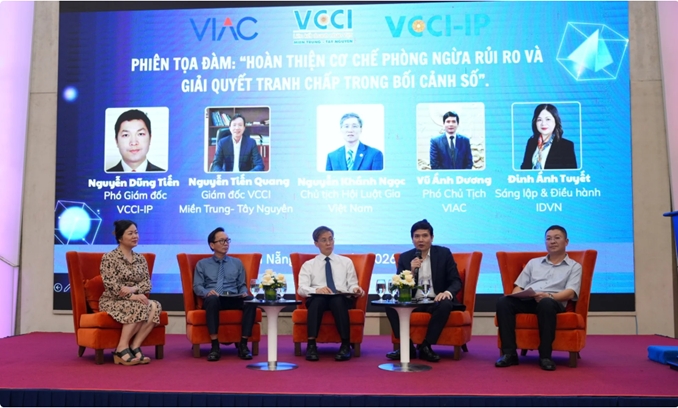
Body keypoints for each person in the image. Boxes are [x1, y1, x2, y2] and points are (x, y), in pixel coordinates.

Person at [495, 225, 582, 371]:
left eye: (557, 238)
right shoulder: (533, 263)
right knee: (504, 302)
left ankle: (545, 356)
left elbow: (570, 292)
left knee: (546, 303)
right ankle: (509, 354)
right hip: (530, 299)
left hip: (553, 302)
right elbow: (518, 286)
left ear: (566, 242)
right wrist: (519, 295)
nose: (552, 241)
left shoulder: (574, 266)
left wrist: (549, 296)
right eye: (548, 239)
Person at [385, 219, 465, 362]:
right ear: (412, 239)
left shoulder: (444, 254)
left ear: (432, 238)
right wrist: (411, 271)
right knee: (389, 303)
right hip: (414, 301)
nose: (420, 240)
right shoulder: (405, 257)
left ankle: (426, 346)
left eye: (425, 236)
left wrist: (446, 293)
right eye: (417, 236)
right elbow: (399, 286)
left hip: (436, 300)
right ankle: (407, 346)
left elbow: (456, 281)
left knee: (446, 304)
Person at [297, 226, 365, 361]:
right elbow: (301, 289)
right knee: (317, 301)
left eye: (330, 239)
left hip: (341, 298)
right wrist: (316, 290)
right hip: (318, 298)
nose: (328, 243)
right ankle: (311, 345)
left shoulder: (346, 262)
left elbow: (352, 284)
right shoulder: (308, 265)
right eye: (324, 240)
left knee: (337, 300)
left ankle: (345, 345)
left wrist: (356, 289)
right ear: (316, 243)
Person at [99, 220, 162, 366]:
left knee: (155, 306)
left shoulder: (140, 259)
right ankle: (121, 348)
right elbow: (111, 285)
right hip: (112, 300)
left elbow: (147, 284)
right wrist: (132, 296)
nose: (135, 236)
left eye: (136, 232)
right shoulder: (109, 258)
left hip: (134, 297)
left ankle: (135, 346)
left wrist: (133, 290)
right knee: (139, 306)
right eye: (130, 233)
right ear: (120, 237)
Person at [193, 227, 257, 361]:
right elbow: (197, 286)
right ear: (212, 245)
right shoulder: (202, 264)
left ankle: (243, 345)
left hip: (233, 297)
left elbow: (241, 285)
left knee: (250, 300)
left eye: (227, 240)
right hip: (214, 299)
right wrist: (207, 292)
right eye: (222, 241)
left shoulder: (237, 263)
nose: (226, 243)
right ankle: (215, 346)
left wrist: (243, 292)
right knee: (212, 299)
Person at [520, 104, 577, 170]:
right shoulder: (531, 142)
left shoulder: (566, 146)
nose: (543, 123)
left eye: (548, 119)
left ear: (555, 121)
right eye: (539, 120)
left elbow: (572, 173)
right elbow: (524, 169)